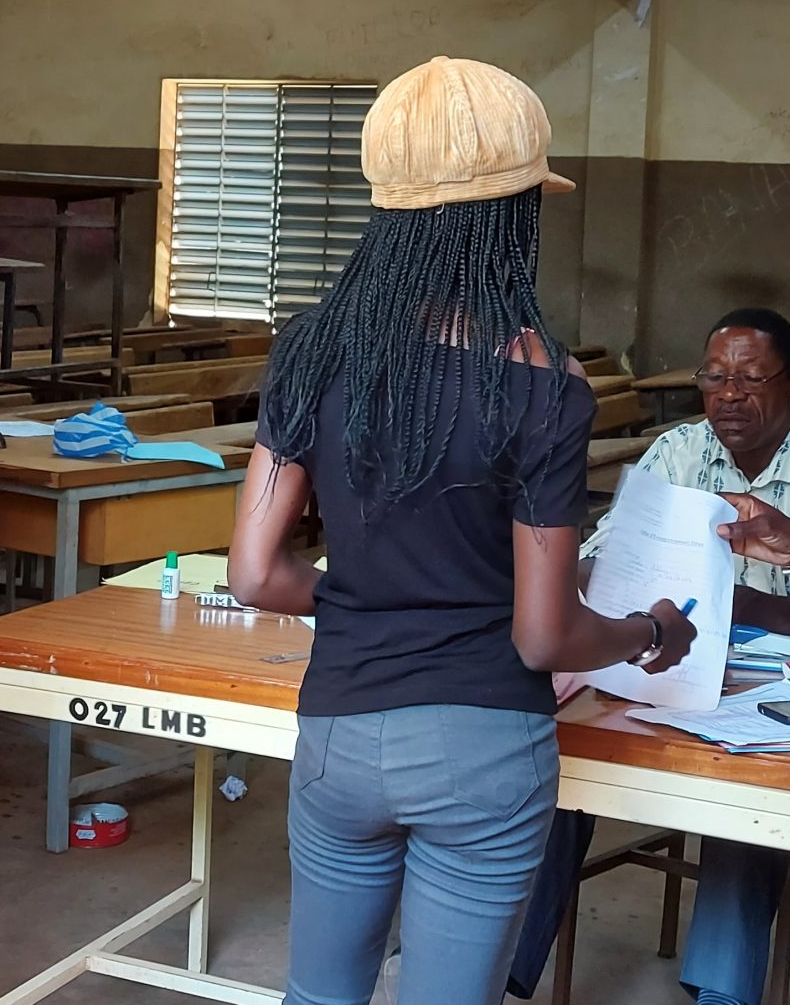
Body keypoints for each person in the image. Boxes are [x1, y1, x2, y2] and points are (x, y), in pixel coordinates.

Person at [229, 55, 700, 1005]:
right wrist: (653, 632)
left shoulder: (312, 352)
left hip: (337, 738)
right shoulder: (543, 385)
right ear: (513, 217)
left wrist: (364, 597)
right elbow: (544, 635)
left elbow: (252, 575)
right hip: (483, 751)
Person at [508, 308, 790, 1005]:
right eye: (715, 377)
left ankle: (719, 991)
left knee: (748, 793)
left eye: (752, 379)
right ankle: (504, 965)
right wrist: (548, 575)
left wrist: (780, 578)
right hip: (680, 663)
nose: (729, 394)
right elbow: (604, 563)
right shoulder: (679, 454)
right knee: (560, 747)